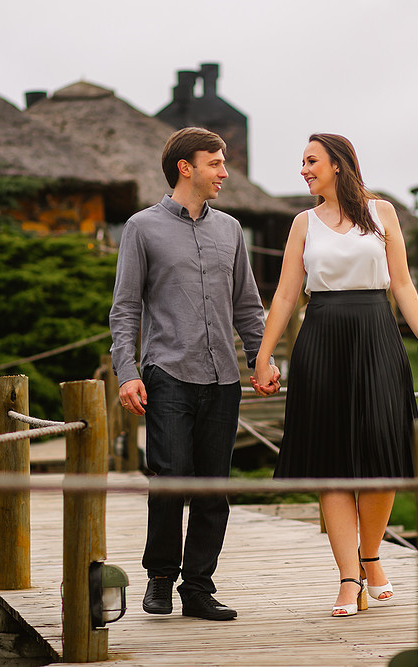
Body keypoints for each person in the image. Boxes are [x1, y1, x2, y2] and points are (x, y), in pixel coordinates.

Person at [251, 133, 418, 617]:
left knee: (382, 453)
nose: (303, 169)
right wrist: (264, 356)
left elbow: (402, 282)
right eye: (302, 162)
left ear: (338, 164)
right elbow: (286, 293)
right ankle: (348, 577)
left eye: (311, 160)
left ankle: (371, 557)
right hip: (322, 338)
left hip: (377, 334)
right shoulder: (303, 223)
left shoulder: (383, 213)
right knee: (331, 462)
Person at [110, 127, 280, 622]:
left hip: (223, 378)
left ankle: (199, 587)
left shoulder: (231, 230)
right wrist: (126, 371)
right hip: (167, 373)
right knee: (170, 477)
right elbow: (125, 309)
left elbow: (248, 305)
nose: (224, 172)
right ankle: (161, 577)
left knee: (213, 488)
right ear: (186, 167)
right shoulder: (141, 228)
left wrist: (261, 359)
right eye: (216, 163)